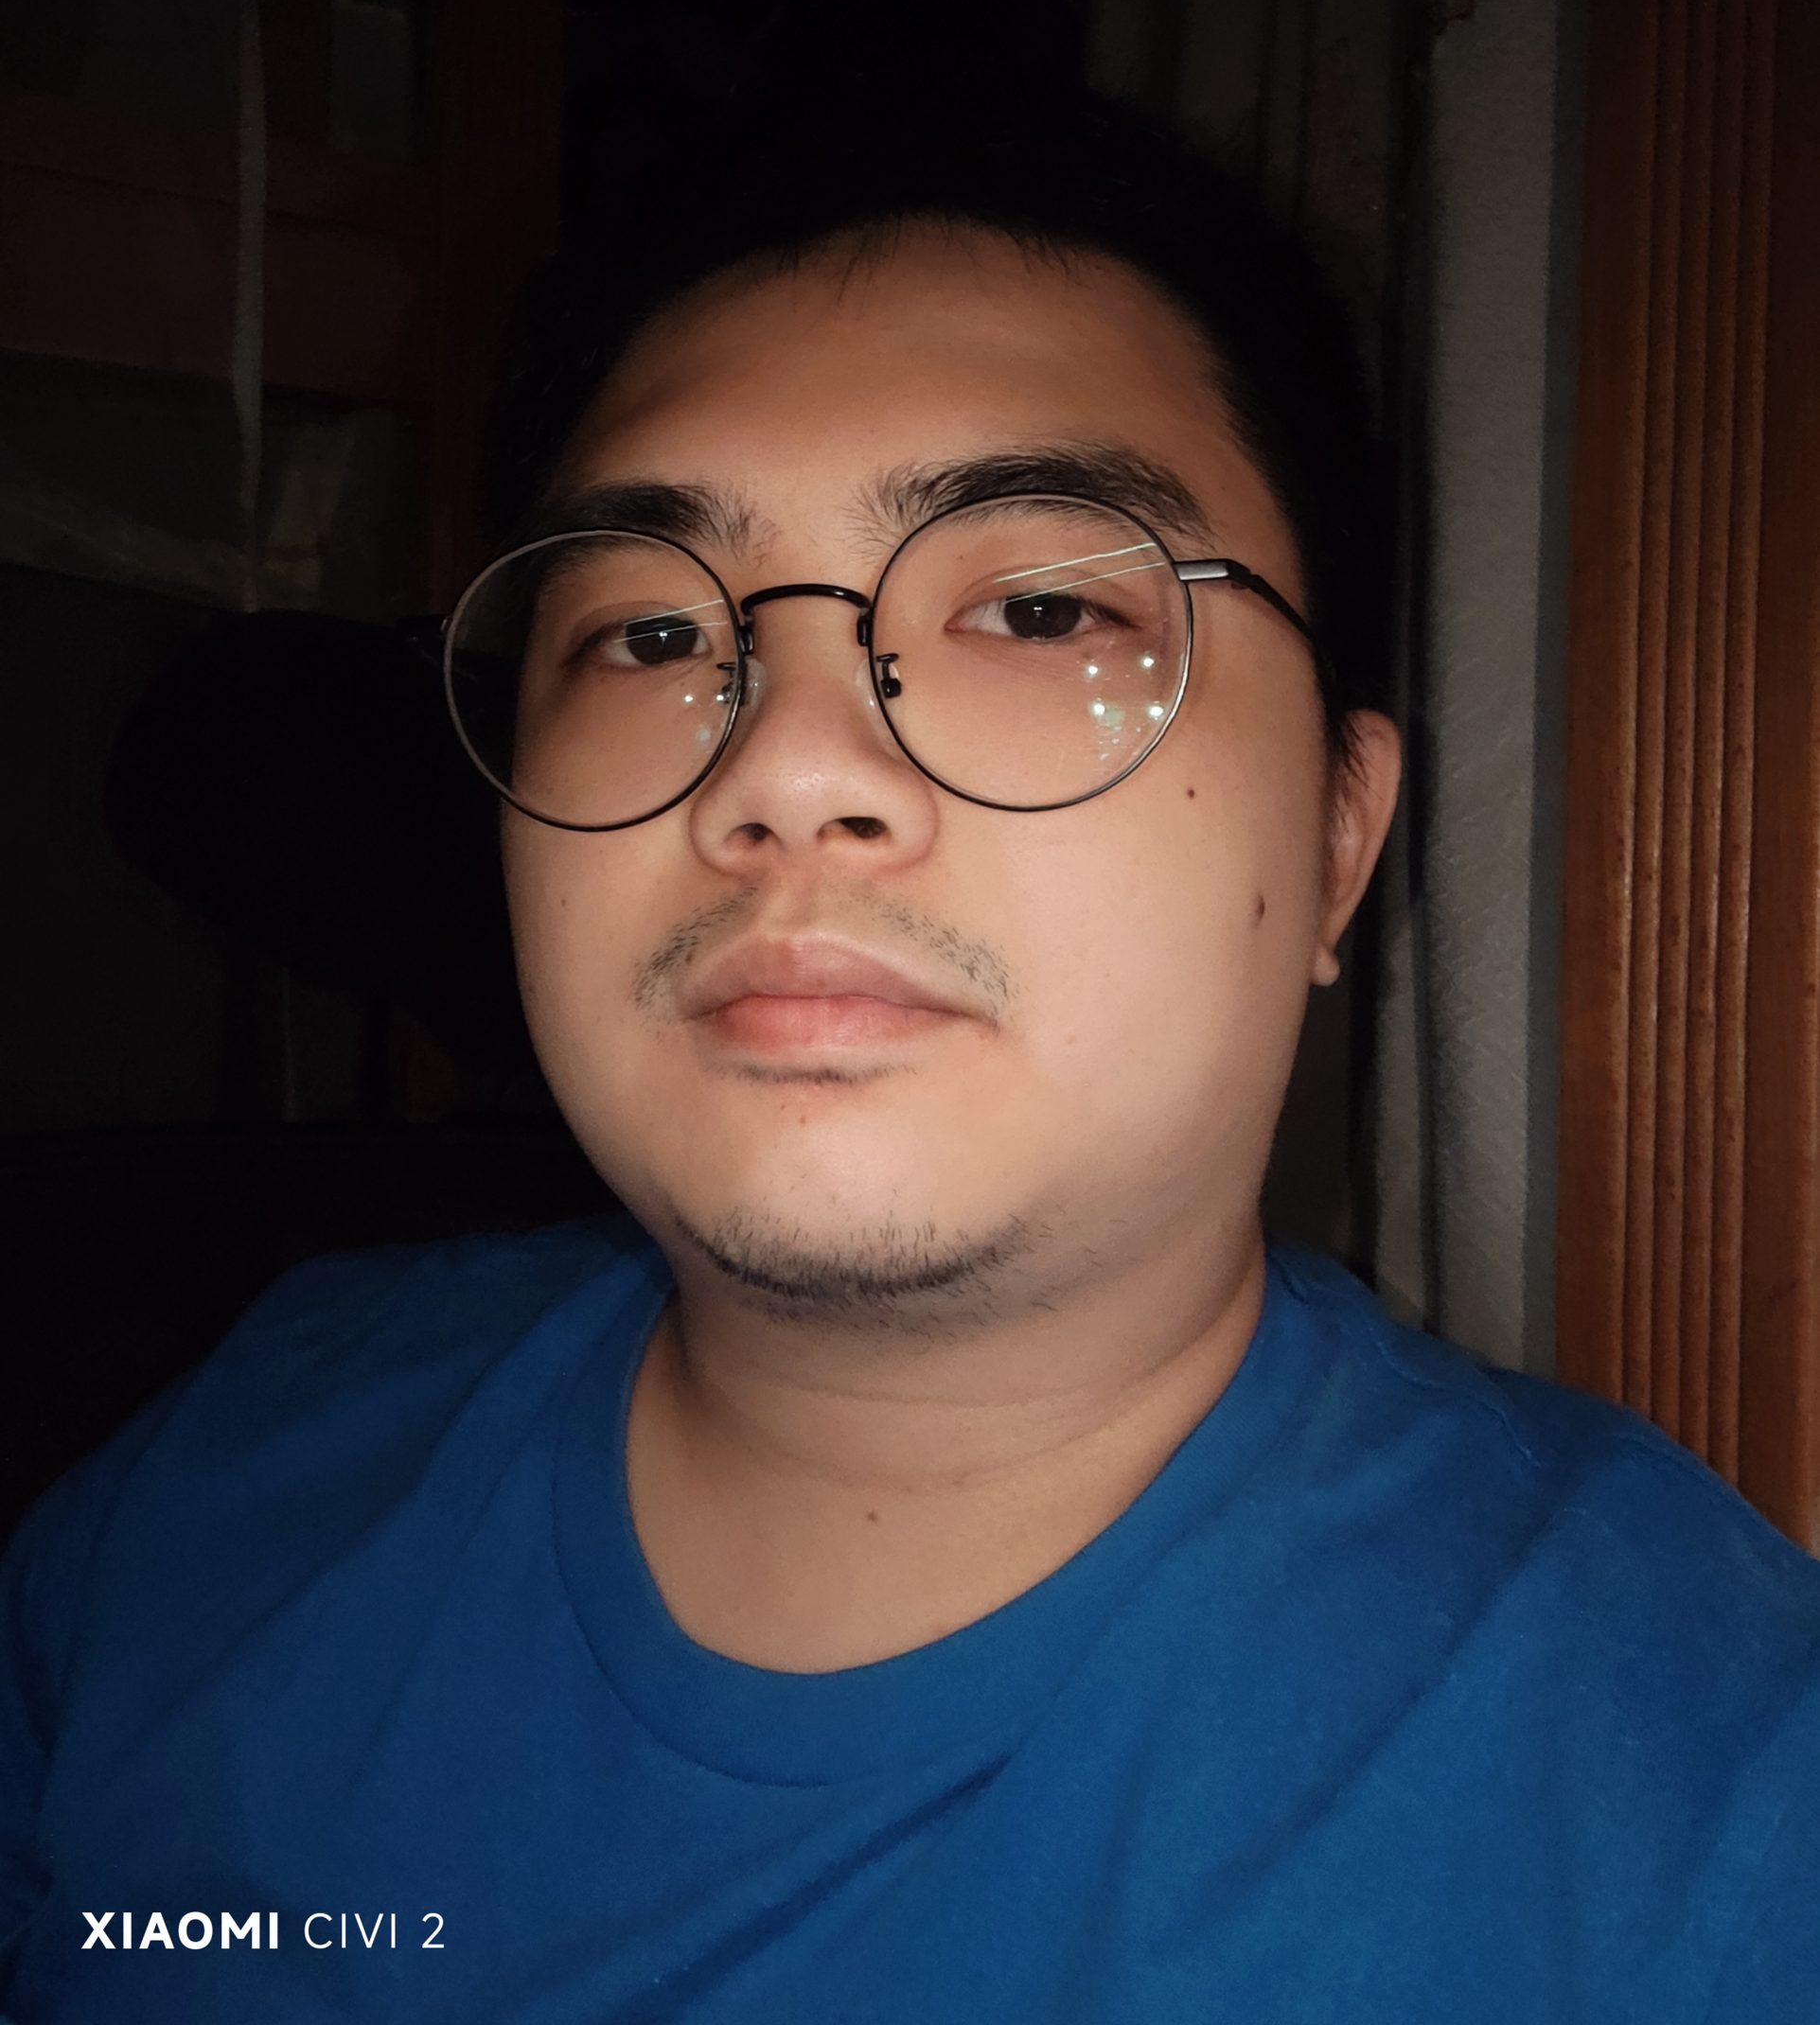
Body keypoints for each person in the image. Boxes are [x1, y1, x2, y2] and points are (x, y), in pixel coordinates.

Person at [3, 102, 1817, 2023]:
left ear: (1338, 842)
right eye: (648, 632)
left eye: (1039, 609)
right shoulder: (234, 1466)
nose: (787, 763)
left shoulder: (1710, 1803)